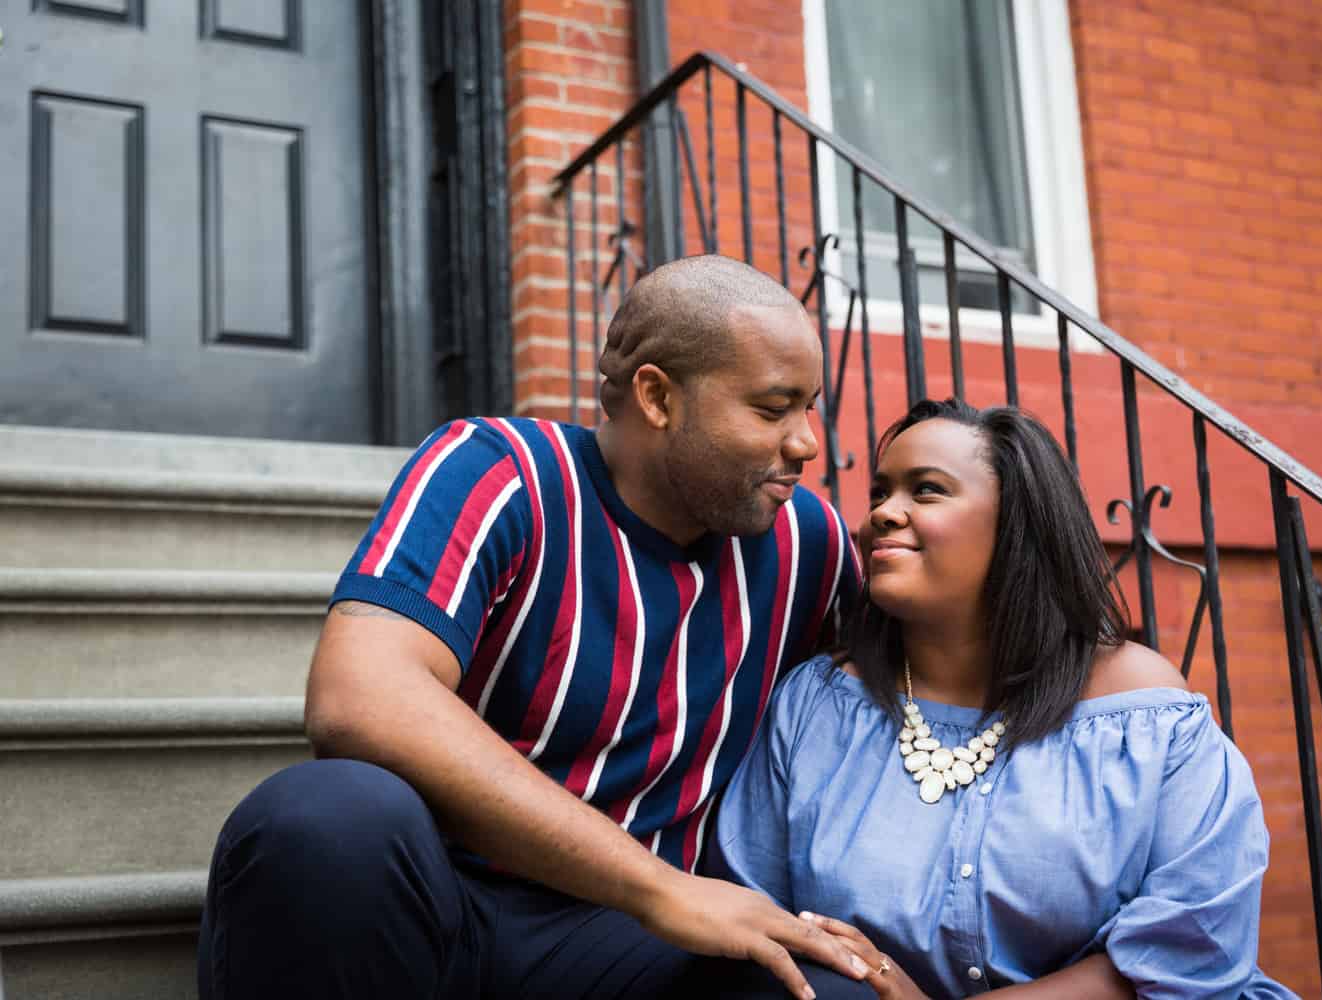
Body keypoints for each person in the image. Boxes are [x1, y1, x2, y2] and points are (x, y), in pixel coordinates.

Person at [196, 254, 881, 1000]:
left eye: (809, 407)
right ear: (657, 397)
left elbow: (924, 687)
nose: (808, 443)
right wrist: (657, 885)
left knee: (823, 992)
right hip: (433, 906)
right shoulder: (502, 472)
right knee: (327, 818)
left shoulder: (805, 542)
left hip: (622, 949)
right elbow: (358, 697)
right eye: (772, 408)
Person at [710, 399, 1296, 999]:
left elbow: (1191, 951)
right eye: (880, 492)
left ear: (1017, 523)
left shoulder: (1147, 717)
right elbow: (755, 917)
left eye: (928, 490)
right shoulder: (817, 708)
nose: (885, 512)